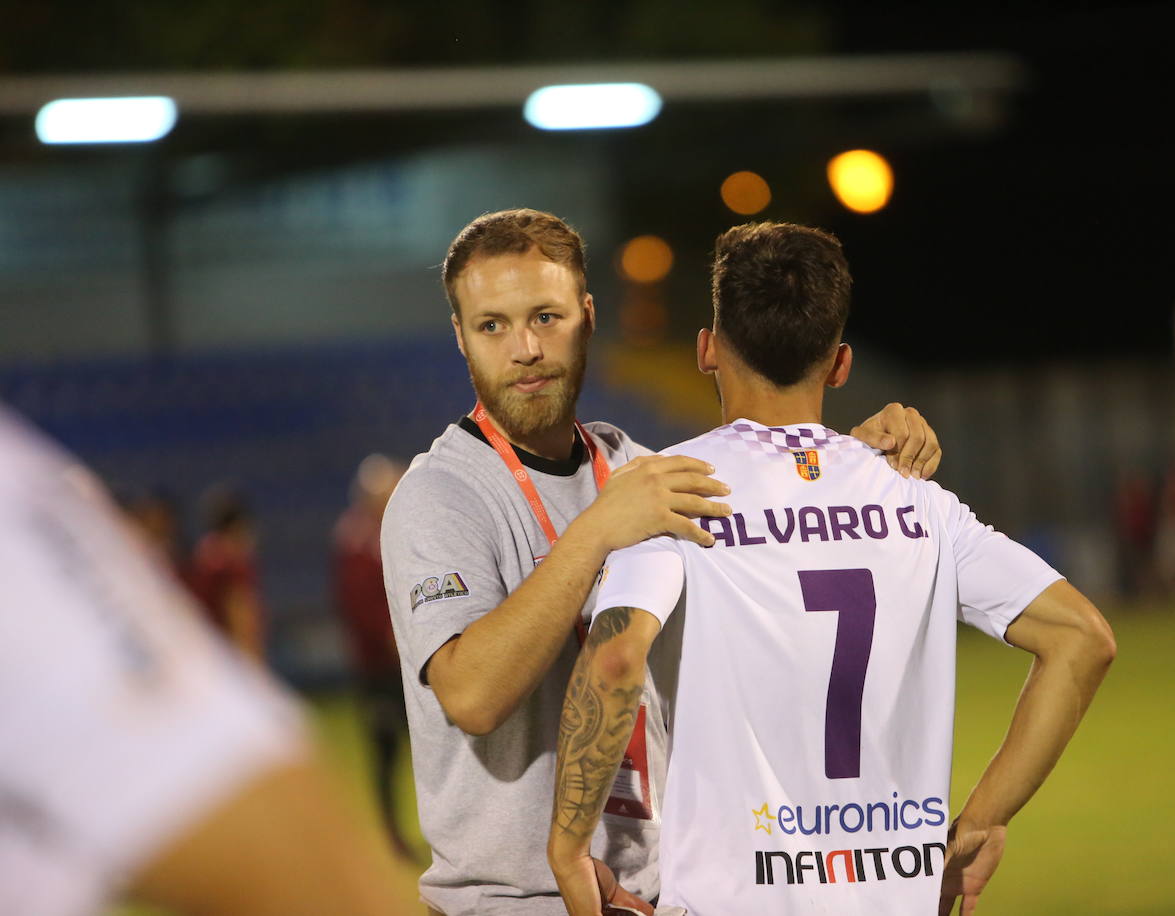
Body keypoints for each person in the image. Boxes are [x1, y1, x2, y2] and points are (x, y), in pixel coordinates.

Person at [381, 208, 943, 915]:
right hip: (518, 901)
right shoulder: (442, 494)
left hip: (664, 897)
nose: (524, 347)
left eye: (546, 317)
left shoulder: (640, 470)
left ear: (587, 316)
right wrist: (593, 534)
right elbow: (473, 697)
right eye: (493, 325)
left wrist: (852, 456)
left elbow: (787, 528)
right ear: (461, 336)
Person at [547, 222, 1117, 916]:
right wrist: (983, 820)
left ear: (707, 350)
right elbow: (1083, 639)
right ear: (840, 364)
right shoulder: (917, 498)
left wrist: (569, 849)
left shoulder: (671, 491)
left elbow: (613, 664)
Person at [0, 403, 418, 916]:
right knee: (387, 754)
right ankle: (398, 833)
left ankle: (399, 832)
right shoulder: (15, 496)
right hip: (235, 683)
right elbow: (300, 863)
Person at [334, 453, 413, 857]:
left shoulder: (389, 530)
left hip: (401, 661)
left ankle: (412, 832)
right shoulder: (357, 539)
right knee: (386, 750)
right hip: (381, 667)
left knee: (425, 747)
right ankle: (392, 836)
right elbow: (361, 605)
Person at [189, 486, 267, 661]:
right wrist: (251, 660)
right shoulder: (232, 561)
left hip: (203, 649)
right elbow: (239, 612)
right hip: (228, 655)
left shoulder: (204, 554)